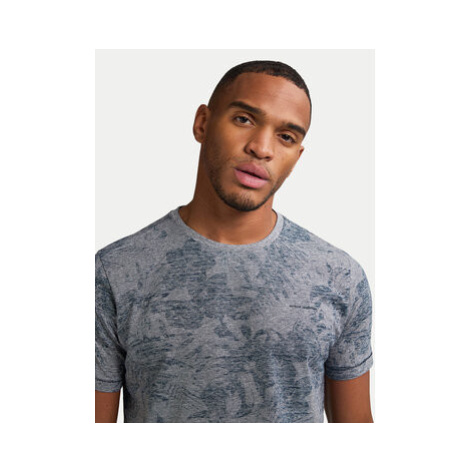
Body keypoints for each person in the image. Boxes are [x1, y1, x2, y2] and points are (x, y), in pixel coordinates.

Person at [95, 60, 374, 423]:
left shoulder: (340, 277)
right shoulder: (116, 271)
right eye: (244, 119)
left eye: (286, 136)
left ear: (297, 156)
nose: (261, 148)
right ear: (202, 123)